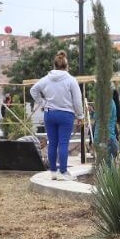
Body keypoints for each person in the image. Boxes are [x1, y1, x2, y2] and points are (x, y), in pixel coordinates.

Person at [30, 51, 84, 180]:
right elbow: (77, 100)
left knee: (52, 143)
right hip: (66, 115)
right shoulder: (71, 80)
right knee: (63, 143)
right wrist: (80, 116)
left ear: (54, 65)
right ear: (67, 65)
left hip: (49, 114)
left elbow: (33, 90)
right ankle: (63, 172)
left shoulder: (46, 79)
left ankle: (53, 171)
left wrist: (43, 103)